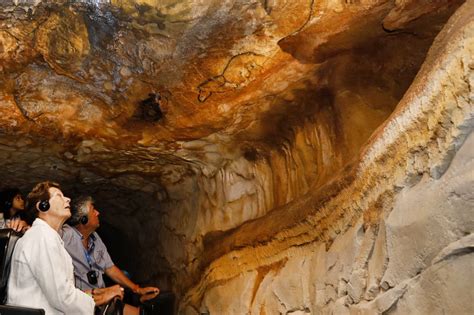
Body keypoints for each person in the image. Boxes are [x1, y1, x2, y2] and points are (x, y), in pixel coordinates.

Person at [6, 181, 99, 313]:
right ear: (43, 206)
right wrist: (94, 305)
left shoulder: (47, 236)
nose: (68, 199)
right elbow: (62, 296)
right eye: (59, 196)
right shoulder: (42, 236)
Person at [62, 195, 159, 315]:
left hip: (103, 300)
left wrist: (137, 289)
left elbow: (110, 268)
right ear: (83, 220)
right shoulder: (67, 235)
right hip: (82, 304)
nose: (98, 213)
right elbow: (49, 232)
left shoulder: (95, 238)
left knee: (143, 313)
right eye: (93, 210)